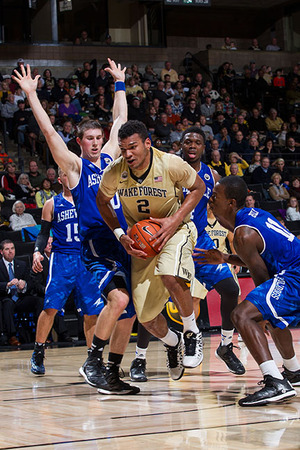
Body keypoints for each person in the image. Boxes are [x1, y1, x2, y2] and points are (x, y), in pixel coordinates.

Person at [13, 60, 139, 395]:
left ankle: (110, 371)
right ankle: (91, 360)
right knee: (117, 299)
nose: (96, 143)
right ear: (80, 141)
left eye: (99, 138)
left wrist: (120, 84)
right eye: (89, 138)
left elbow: (120, 121)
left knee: (127, 314)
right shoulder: (75, 167)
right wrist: (31, 95)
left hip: (121, 241)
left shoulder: (112, 158)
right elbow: (49, 133)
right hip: (94, 245)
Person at [97, 120, 206, 381]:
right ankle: (172, 342)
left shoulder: (170, 163)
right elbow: (101, 201)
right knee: (145, 317)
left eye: (132, 147)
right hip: (143, 242)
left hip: (176, 230)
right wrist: (120, 234)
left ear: (147, 143)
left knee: (170, 275)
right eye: (123, 149)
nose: (128, 154)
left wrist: (175, 220)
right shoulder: (115, 171)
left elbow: (198, 188)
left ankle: (191, 332)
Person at [195, 175, 300, 406]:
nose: (210, 200)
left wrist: (260, 314)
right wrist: (224, 258)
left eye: (216, 196)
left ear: (231, 203)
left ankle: (275, 382)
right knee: (272, 318)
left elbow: (260, 275)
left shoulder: (242, 233)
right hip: (292, 272)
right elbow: (256, 257)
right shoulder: (254, 217)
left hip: (295, 275)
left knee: (242, 315)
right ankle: (293, 371)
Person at [180, 127, 244, 375]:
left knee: (231, 289)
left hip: (201, 242)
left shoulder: (212, 176)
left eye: (197, 142)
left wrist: (238, 236)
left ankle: (226, 345)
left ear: (203, 147)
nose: (192, 145)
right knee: (159, 297)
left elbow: (222, 212)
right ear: (181, 145)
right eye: (188, 141)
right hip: (173, 240)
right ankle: (141, 356)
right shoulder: (170, 169)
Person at [30, 169, 103, 375]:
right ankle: (38, 351)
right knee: (50, 307)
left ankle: (93, 358)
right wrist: (37, 252)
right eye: (65, 174)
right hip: (62, 259)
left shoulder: (89, 200)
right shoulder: (52, 204)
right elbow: (43, 234)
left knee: (91, 311)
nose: (69, 178)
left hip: (86, 258)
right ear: (60, 178)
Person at [0, 239, 44, 347]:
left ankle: (40, 335)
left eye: (12, 248)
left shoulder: (22, 264)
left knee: (38, 301)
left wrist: (24, 285)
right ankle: (12, 336)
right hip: (6, 297)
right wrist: (7, 285)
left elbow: (31, 282)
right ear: (1, 252)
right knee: (7, 304)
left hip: (20, 297)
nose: (10, 251)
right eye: (7, 249)